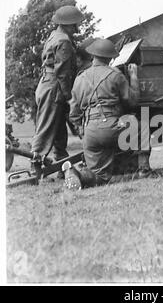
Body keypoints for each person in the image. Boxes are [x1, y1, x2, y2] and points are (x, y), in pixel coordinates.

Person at [63, 38, 153, 190]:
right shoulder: (115, 74)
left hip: (90, 133)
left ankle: (75, 173)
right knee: (141, 124)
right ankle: (144, 170)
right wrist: (134, 76)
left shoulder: (79, 79)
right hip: (113, 128)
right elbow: (132, 101)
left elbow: (73, 113)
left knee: (100, 176)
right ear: (110, 58)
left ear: (93, 56)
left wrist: (82, 130)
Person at [31, 5, 84, 178]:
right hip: (54, 86)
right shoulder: (64, 41)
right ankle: (35, 165)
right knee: (46, 126)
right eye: (75, 24)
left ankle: (62, 165)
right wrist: (69, 96)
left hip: (47, 83)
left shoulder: (54, 36)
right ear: (69, 24)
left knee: (59, 128)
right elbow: (63, 72)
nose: (77, 28)